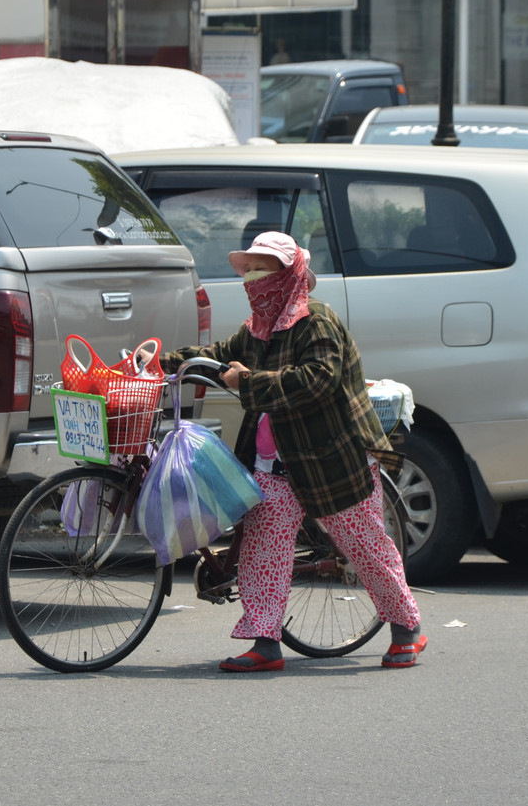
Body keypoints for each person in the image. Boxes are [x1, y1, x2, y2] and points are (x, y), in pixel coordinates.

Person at [159, 231, 426, 672]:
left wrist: (247, 382)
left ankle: (405, 628)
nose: (253, 278)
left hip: (332, 460)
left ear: (290, 274)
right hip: (274, 462)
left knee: (365, 548)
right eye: (249, 269)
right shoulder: (255, 330)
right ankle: (265, 642)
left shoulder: (317, 322)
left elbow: (316, 380)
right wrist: (165, 363)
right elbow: (217, 356)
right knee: (263, 546)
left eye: (264, 268)